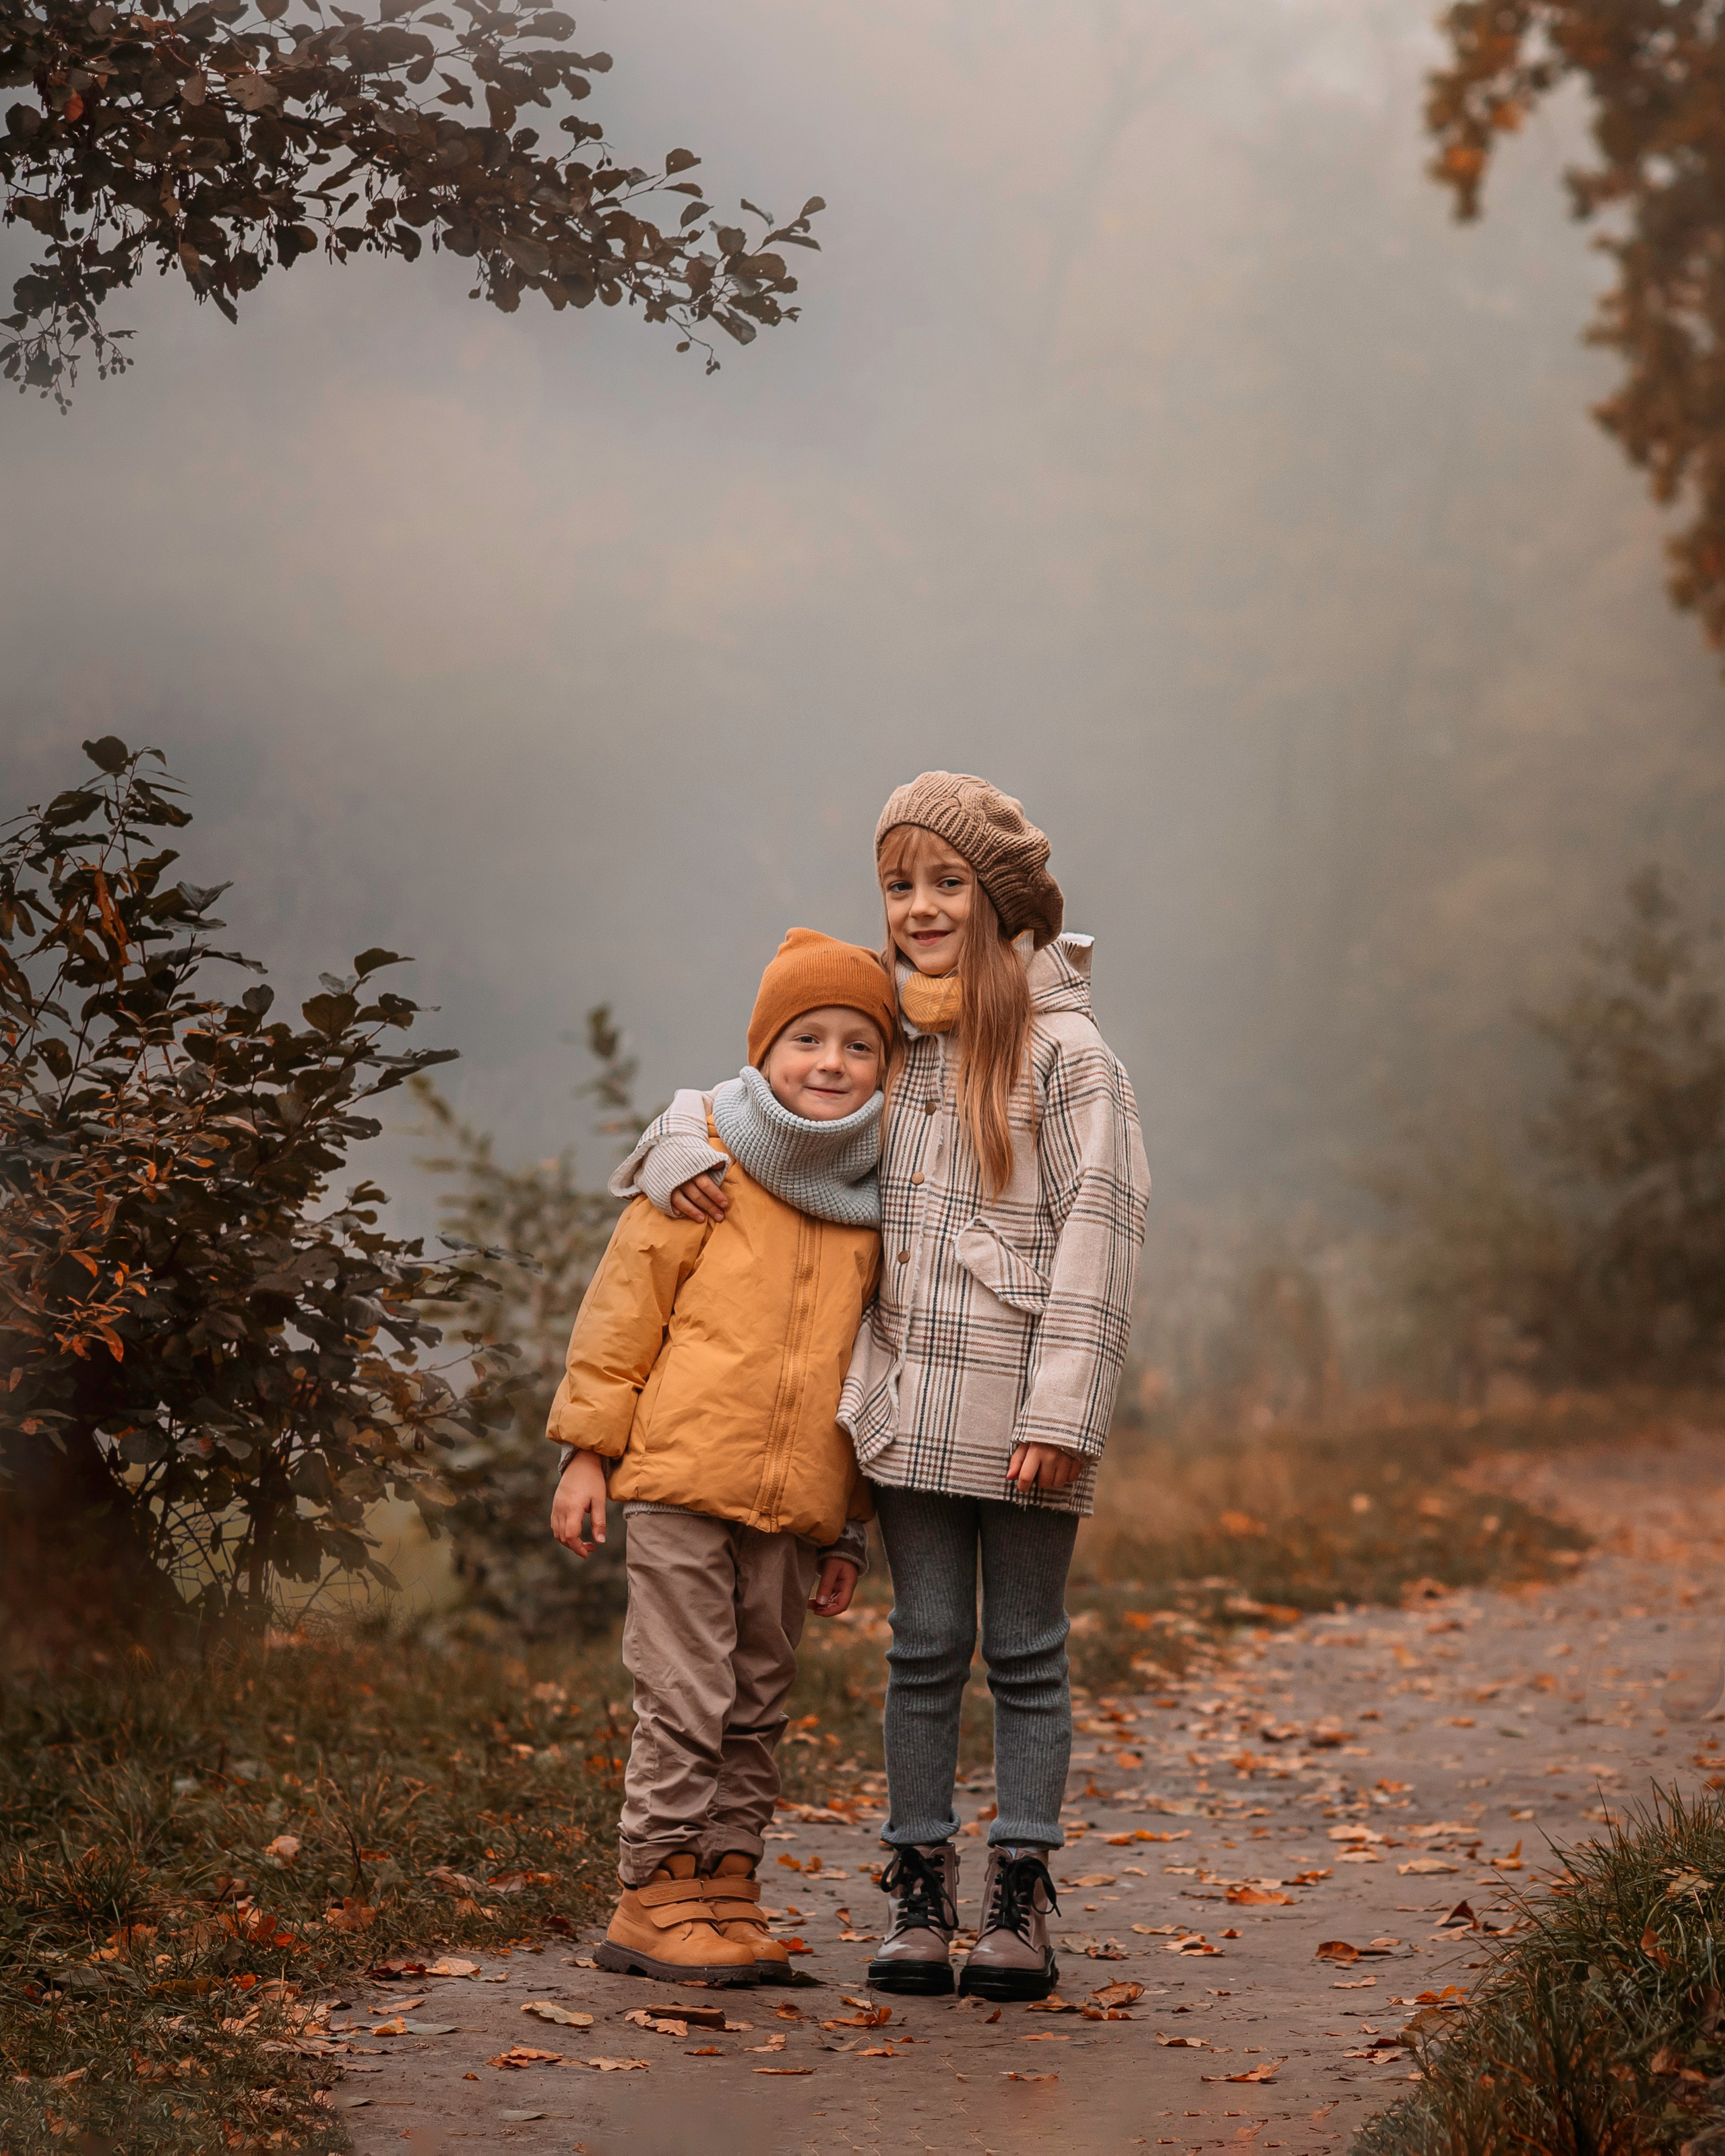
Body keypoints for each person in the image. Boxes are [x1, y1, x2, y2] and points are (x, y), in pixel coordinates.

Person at [650, 774, 1152, 2004]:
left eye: (944, 882)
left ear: (1001, 898)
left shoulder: (1071, 1057)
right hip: (909, 1413)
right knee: (924, 1647)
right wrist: (675, 1141)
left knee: (1024, 1649)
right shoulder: (898, 1040)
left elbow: (1103, 1230)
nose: (918, 907)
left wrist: (1063, 1417)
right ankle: (918, 1892)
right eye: (898, 885)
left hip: (1027, 1411)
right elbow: (777, 1103)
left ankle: (1019, 1899)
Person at [547, 928, 898, 1986]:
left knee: (757, 1701)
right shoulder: (703, 1163)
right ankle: (653, 1891)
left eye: (857, 1045)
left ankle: (723, 1884)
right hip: (681, 1485)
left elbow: (868, 1372)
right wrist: (583, 1454)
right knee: (687, 1693)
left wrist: (847, 1527)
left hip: (795, 1506)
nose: (830, 1063)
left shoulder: (877, 1201)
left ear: (888, 1067)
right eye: (806, 1039)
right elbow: (623, 1317)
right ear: (764, 1050)